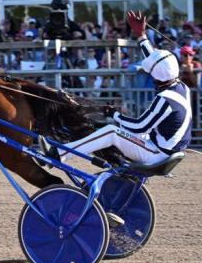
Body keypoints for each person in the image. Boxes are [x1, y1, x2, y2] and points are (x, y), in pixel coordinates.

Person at [40, 10, 192, 166]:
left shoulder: (164, 99)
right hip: (162, 148)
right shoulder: (181, 87)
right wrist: (141, 35)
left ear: (156, 75)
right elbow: (155, 61)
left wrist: (114, 114)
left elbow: (139, 127)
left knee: (111, 131)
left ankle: (58, 154)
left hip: (156, 154)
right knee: (115, 131)